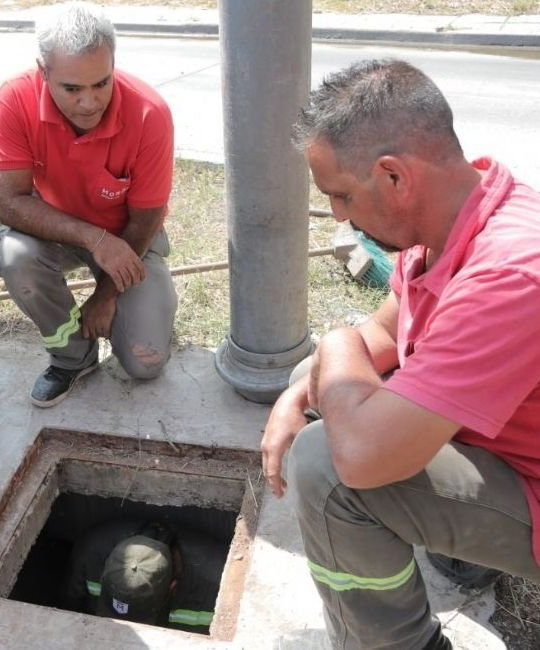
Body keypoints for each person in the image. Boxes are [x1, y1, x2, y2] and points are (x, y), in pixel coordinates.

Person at [261, 58, 540, 649]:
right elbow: (385, 337)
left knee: (329, 468)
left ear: (393, 176)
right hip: (511, 446)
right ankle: (469, 556)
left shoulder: (512, 274)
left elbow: (361, 459)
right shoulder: (448, 225)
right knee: (314, 379)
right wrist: (297, 389)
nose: (336, 214)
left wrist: (333, 340)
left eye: (340, 195)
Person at [0, 1, 178, 408]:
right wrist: (94, 239)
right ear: (44, 72)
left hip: (131, 238)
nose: (90, 103)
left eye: (101, 84)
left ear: (113, 64)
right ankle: (72, 357)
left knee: (147, 364)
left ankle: (137, 310)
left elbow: (146, 219)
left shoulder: (149, 112)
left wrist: (106, 295)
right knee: (15, 255)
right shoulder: (13, 99)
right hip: (58, 229)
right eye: (72, 89)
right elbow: (8, 202)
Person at [62, 519, 224, 633]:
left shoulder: (219, 586)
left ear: (172, 587)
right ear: (104, 570)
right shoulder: (91, 552)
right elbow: (69, 605)